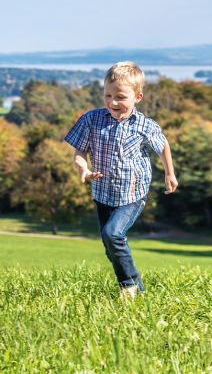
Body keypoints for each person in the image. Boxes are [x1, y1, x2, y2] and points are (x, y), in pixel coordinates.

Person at [64, 61, 178, 299]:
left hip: (132, 193)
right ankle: (139, 290)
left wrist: (169, 173)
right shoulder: (92, 120)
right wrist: (83, 169)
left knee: (113, 234)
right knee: (109, 245)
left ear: (138, 96)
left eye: (120, 97)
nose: (113, 102)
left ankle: (129, 285)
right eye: (108, 95)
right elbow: (79, 152)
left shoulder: (145, 126)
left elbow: (163, 145)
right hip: (103, 191)